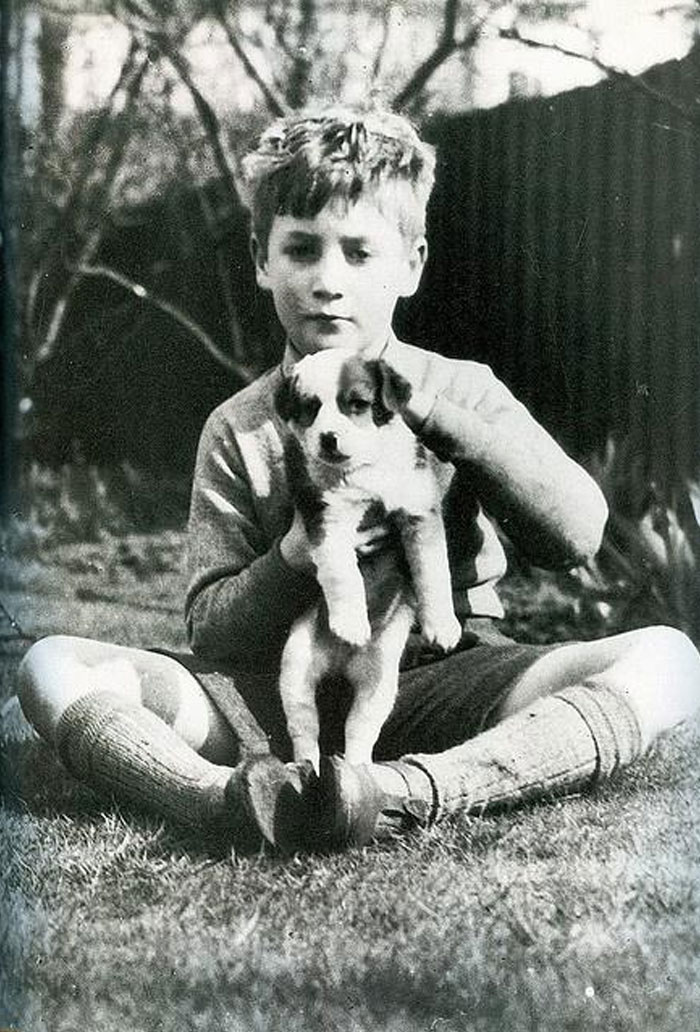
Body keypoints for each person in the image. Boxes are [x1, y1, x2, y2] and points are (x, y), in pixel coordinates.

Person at [16, 107, 700, 854]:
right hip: (274, 693)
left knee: (670, 658)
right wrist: (293, 557)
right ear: (260, 259)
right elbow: (210, 626)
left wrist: (440, 419)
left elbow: (578, 534)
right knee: (52, 665)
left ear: (411, 264)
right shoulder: (241, 426)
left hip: (449, 677)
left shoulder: (461, 390)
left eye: (359, 253)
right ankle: (221, 800)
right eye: (302, 250)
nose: (328, 282)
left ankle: (411, 793)